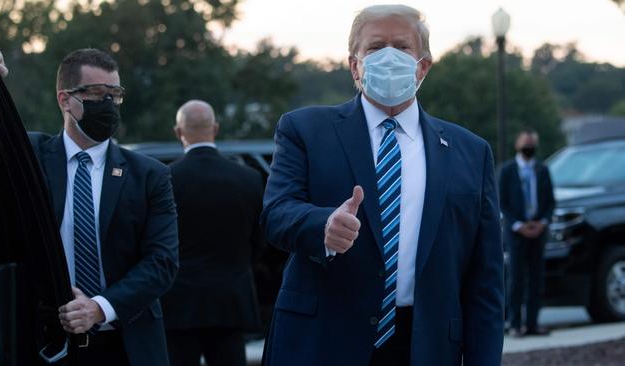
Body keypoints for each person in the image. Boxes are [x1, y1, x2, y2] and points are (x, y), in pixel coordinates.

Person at [260, 4, 504, 366]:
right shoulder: (305, 131)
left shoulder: (471, 152)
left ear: (423, 65)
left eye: (402, 47)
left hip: (425, 345)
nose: (389, 56)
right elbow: (276, 214)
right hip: (323, 341)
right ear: (354, 65)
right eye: (375, 47)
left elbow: (485, 280)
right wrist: (323, 226)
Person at [0, 45, 179, 365]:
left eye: (115, 94)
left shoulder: (149, 175)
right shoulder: (28, 156)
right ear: (64, 99)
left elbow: (162, 261)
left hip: (126, 343)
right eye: (97, 93)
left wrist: (98, 308)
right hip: (45, 342)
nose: (108, 104)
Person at [161, 100, 264, 366]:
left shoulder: (165, 178)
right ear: (215, 128)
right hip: (231, 301)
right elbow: (259, 240)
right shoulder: (249, 178)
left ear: (178, 131)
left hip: (179, 304)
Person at [499, 130, 555, 337]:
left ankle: (532, 323)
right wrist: (517, 225)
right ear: (517, 145)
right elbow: (501, 202)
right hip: (516, 234)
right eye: (525, 144)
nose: (528, 147)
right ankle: (514, 324)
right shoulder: (506, 171)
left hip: (538, 232)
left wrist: (542, 223)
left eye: (531, 144)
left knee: (536, 278)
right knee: (515, 279)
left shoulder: (542, 170)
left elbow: (550, 201)